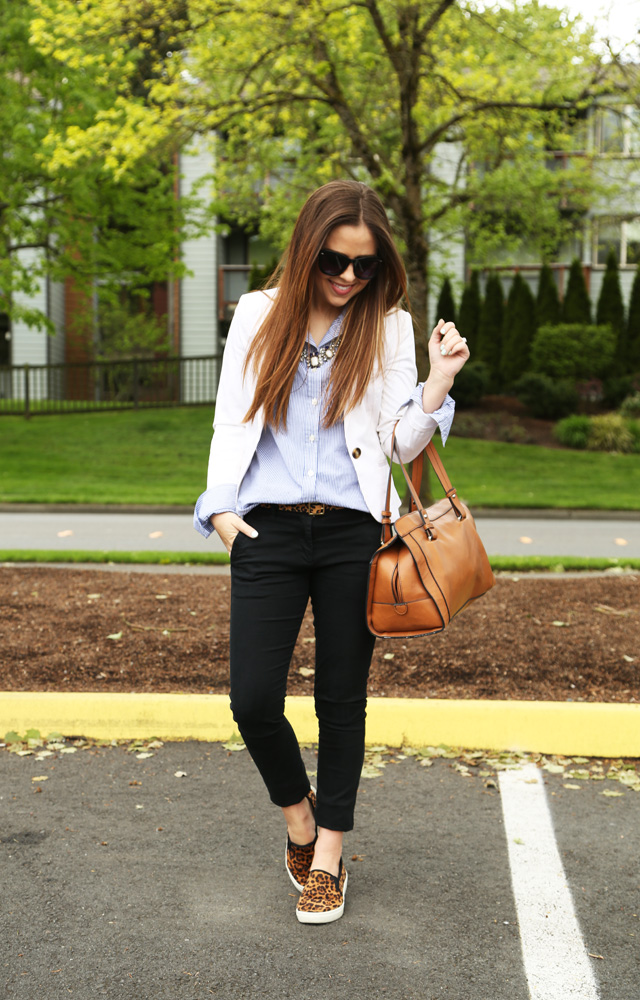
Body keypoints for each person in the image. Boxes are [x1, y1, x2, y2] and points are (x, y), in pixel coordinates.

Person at [194, 179, 469, 924]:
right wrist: (217, 508)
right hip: (269, 530)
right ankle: (299, 821)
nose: (349, 277)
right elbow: (230, 418)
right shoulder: (258, 314)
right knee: (251, 699)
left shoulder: (388, 326)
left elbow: (396, 441)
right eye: (334, 261)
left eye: (365, 266)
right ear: (306, 250)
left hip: (354, 533)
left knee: (340, 701)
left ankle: (328, 858)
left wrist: (438, 386)